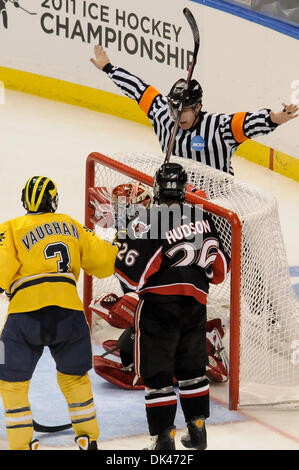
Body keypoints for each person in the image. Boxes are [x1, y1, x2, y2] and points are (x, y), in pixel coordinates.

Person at [113, 162, 230, 450]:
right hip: (195, 308)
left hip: (159, 310)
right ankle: (198, 429)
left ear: (156, 189)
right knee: (192, 370)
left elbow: (129, 276)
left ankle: (163, 439)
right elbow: (220, 270)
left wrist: (124, 240)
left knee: (159, 376)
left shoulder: (150, 220)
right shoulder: (204, 217)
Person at [0, 176, 119, 450]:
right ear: (53, 201)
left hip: (25, 315)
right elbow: (104, 263)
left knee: (12, 383)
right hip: (69, 314)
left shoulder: (11, 228)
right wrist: (120, 237)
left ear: (24, 201)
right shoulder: (71, 225)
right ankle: (88, 438)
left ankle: (21, 444)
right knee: (75, 379)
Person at [90, 45, 298, 176]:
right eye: (173, 110)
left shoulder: (220, 128)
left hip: (219, 202)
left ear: (198, 107)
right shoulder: (164, 114)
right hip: (179, 194)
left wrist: (276, 118)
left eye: (184, 111)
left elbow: (250, 123)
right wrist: (109, 68)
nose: (176, 116)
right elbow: (138, 89)